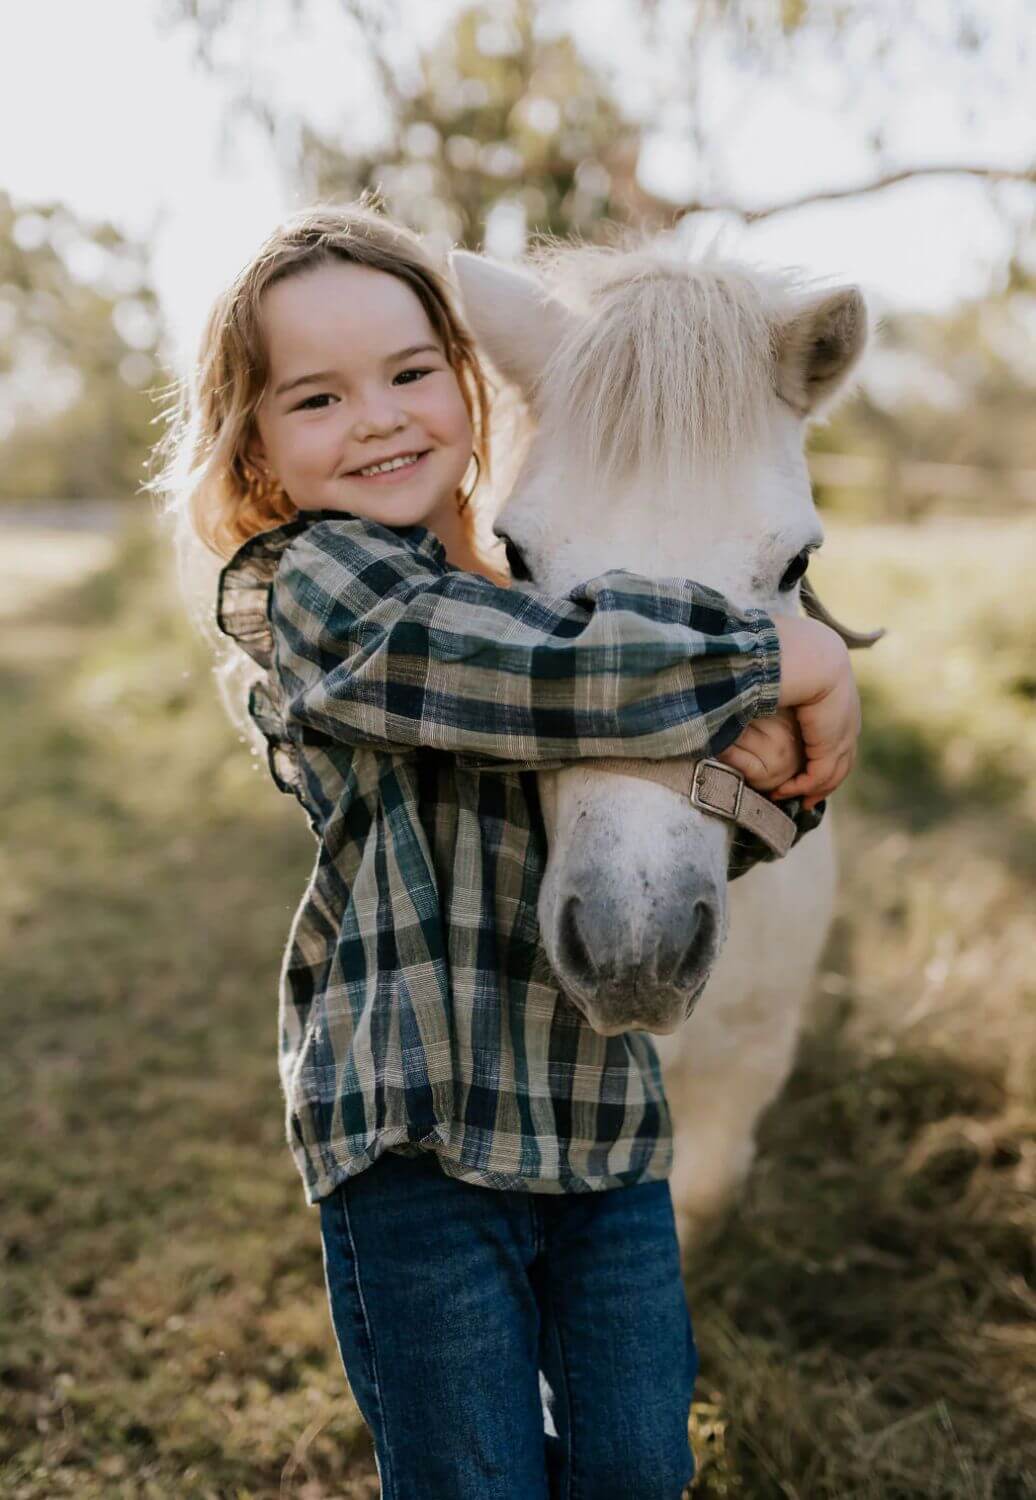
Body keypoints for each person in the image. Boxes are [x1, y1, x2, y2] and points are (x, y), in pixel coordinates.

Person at [151, 198, 860, 1500]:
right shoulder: (328, 594)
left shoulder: (514, 593)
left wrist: (789, 784)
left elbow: (686, 780)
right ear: (253, 448)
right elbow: (549, 684)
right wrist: (784, 655)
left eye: (413, 373)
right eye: (316, 399)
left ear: (470, 388)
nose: (376, 418)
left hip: (599, 1132)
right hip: (421, 1152)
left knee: (641, 1469)